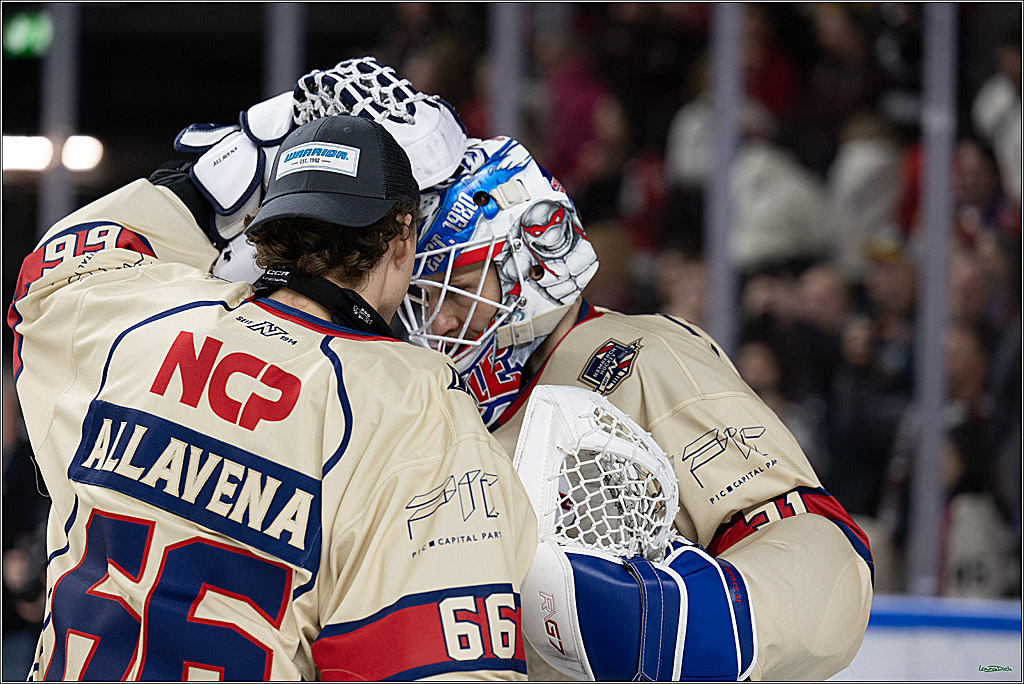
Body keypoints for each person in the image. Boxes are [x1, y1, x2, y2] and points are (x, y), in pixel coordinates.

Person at [7, 115, 537, 680]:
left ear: (264, 225)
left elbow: (54, 269)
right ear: (403, 235)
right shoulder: (415, 403)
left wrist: (211, 178)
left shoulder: (139, 317)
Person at [399, 134, 874, 681]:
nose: (437, 321)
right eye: (423, 297)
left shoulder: (642, 358)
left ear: (529, 265)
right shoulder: (450, 406)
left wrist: (698, 630)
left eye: (456, 289)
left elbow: (822, 550)